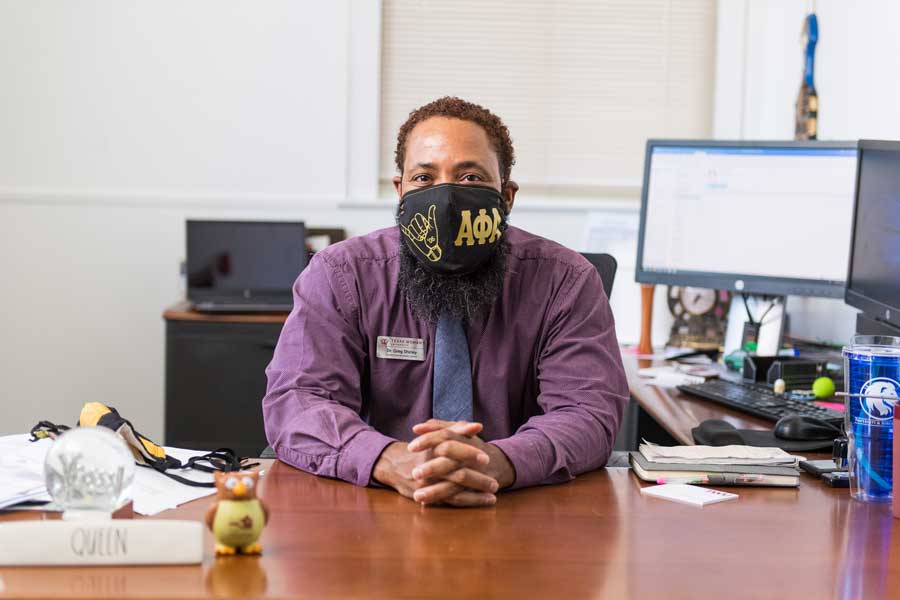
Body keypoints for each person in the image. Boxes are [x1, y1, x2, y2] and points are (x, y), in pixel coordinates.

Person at [263, 97, 627, 508]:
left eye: (470, 178)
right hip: (374, 507)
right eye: (423, 177)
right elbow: (297, 400)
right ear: (400, 192)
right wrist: (387, 459)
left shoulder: (567, 280)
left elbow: (588, 412)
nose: (446, 199)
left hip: (518, 510)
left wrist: (499, 463)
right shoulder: (340, 275)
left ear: (506, 196)